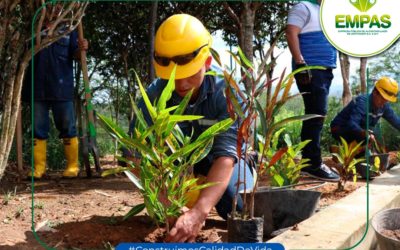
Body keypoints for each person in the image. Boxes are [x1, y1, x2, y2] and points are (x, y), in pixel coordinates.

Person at [129, 14, 254, 242]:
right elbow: (136, 158)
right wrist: (165, 204)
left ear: (206, 63)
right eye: (172, 78)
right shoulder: (154, 96)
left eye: (188, 75)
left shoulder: (226, 92)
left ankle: (202, 196)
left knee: (237, 206)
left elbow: (226, 156)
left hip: (220, 160)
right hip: (178, 168)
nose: (180, 84)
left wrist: (199, 212)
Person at [23, 6, 88, 179]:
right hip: (37, 87)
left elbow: (75, 54)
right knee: (38, 128)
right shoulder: (32, 28)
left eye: (58, 6)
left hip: (62, 88)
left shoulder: (69, 29)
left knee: (68, 126)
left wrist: (82, 47)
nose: (55, 9)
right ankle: (38, 168)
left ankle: (73, 166)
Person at [286, 0, 339, 181]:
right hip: (311, 68)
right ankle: (313, 164)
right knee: (316, 115)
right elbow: (291, 32)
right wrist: (300, 62)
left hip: (324, 69)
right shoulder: (303, 7)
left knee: (315, 114)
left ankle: (309, 162)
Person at [331, 77, 400, 144]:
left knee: (374, 134)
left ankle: (360, 150)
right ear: (375, 93)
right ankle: (351, 150)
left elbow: (396, 121)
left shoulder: (384, 105)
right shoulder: (363, 102)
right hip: (339, 128)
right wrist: (365, 133)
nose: (384, 103)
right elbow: (352, 124)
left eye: (387, 100)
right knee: (367, 135)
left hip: (358, 128)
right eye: (383, 99)